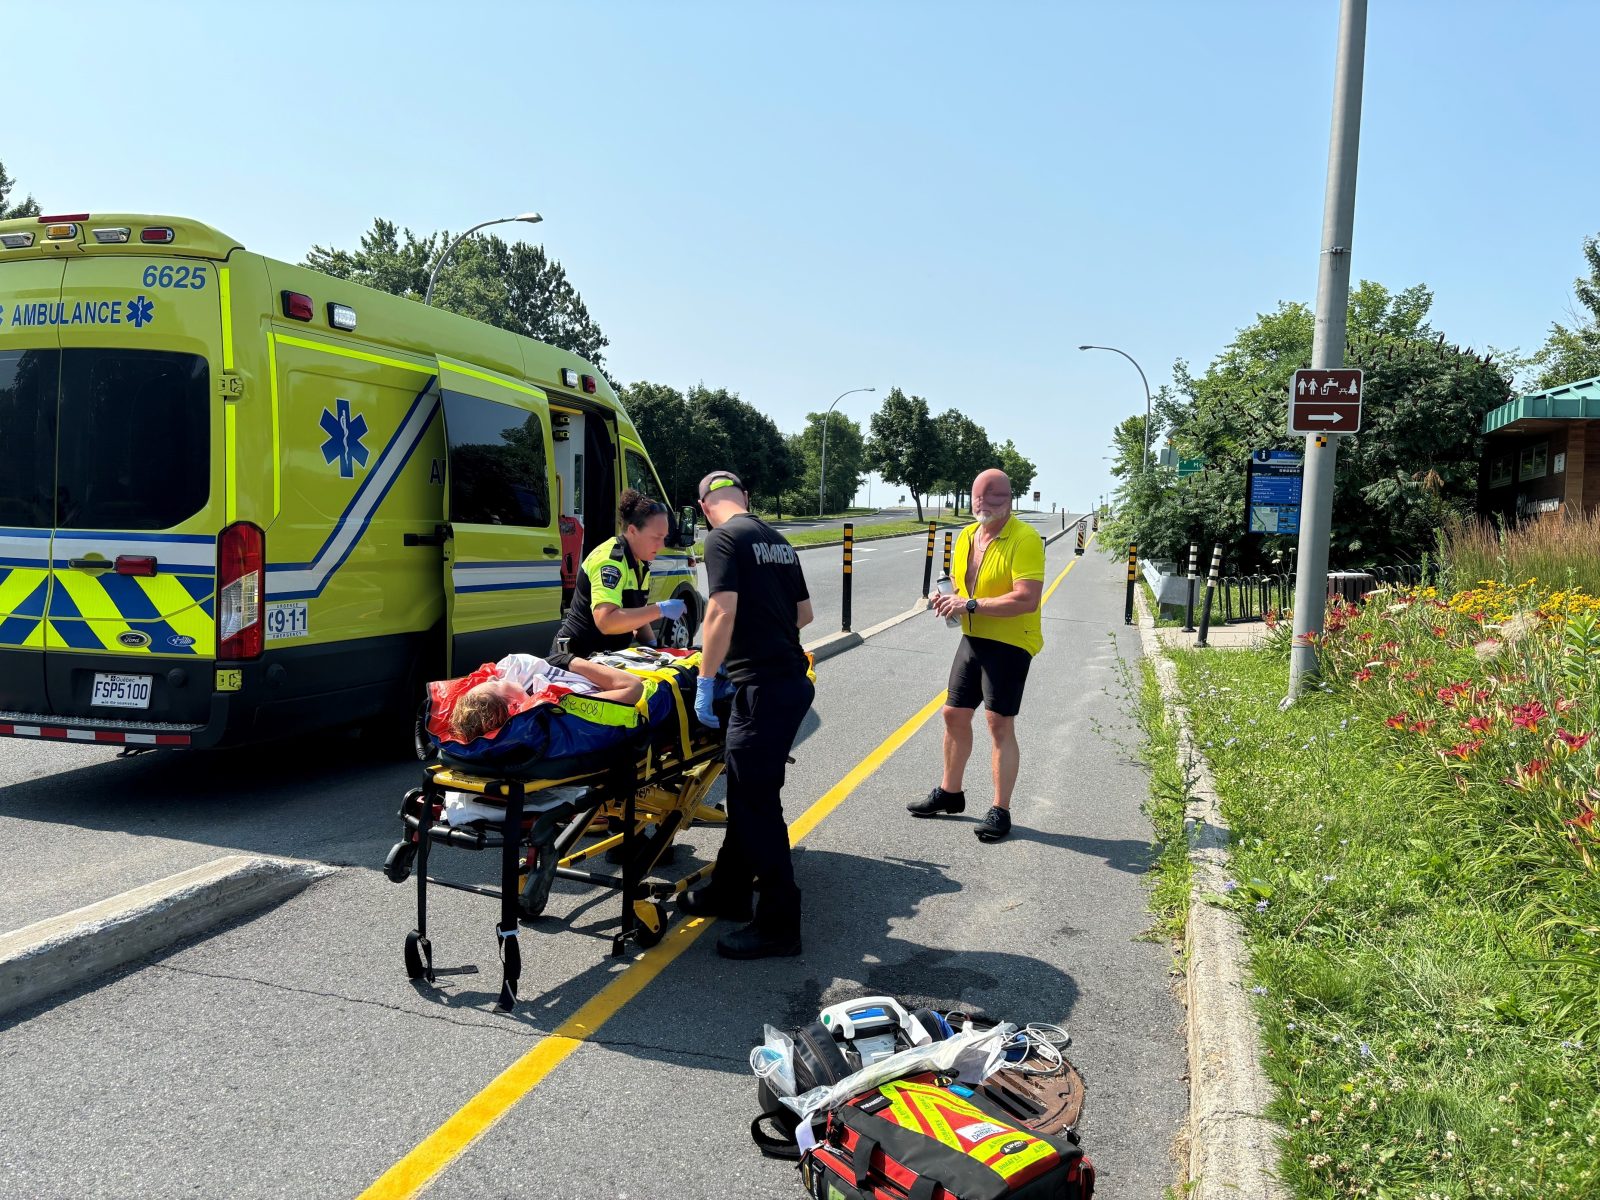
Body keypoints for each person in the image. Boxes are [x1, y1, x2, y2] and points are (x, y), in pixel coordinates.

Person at [678, 470, 815, 959]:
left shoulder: (722, 539)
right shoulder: (777, 540)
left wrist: (708, 678)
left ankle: (780, 923)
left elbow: (720, 612)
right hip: (789, 682)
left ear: (702, 508)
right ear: (746, 498)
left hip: (760, 688)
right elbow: (803, 615)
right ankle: (730, 889)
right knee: (745, 792)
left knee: (756, 804)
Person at [913, 468, 1045, 842]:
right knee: (953, 713)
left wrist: (970, 603)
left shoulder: (1025, 539)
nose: (984, 505)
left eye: (994, 498)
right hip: (973, 637)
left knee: (998, 724)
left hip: (1011, 640)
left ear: (1010, 499)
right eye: (977, 498)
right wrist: (947, 598)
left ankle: (1000, 810)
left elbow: (1027, 598)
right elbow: (958, 586)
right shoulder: (968, 536)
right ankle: (950, 792)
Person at [552, 488, 687, 658]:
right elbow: (606, 622)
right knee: (633, 686)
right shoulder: (610, 561)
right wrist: (659, 609)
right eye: (656, 537)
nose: (661, 545)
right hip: (576, 657)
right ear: (632, 531)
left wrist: (656, 649)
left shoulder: (640, 563)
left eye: (664, 538)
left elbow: (637, 615)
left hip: (604, 658)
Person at [450, 652, 644, 743]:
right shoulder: (563, 704)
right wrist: (569, 661)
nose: (492, 676)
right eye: (495, 683)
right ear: (513, 704)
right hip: (613, 674)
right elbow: (633, 687)